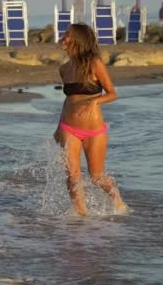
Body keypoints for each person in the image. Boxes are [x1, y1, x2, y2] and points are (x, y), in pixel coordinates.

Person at [53, 24, 127, 216]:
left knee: (96, 177)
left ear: (77, 39)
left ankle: (119, 205)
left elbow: (112, 93)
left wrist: (95, 102)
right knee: (73, 175)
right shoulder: (64, 69)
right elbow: (68, 100)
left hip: (94, 130)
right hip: (68, 127)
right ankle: (81, 215)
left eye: (67, 35)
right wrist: (57, 127)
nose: (63, 38)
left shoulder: (94, 63)